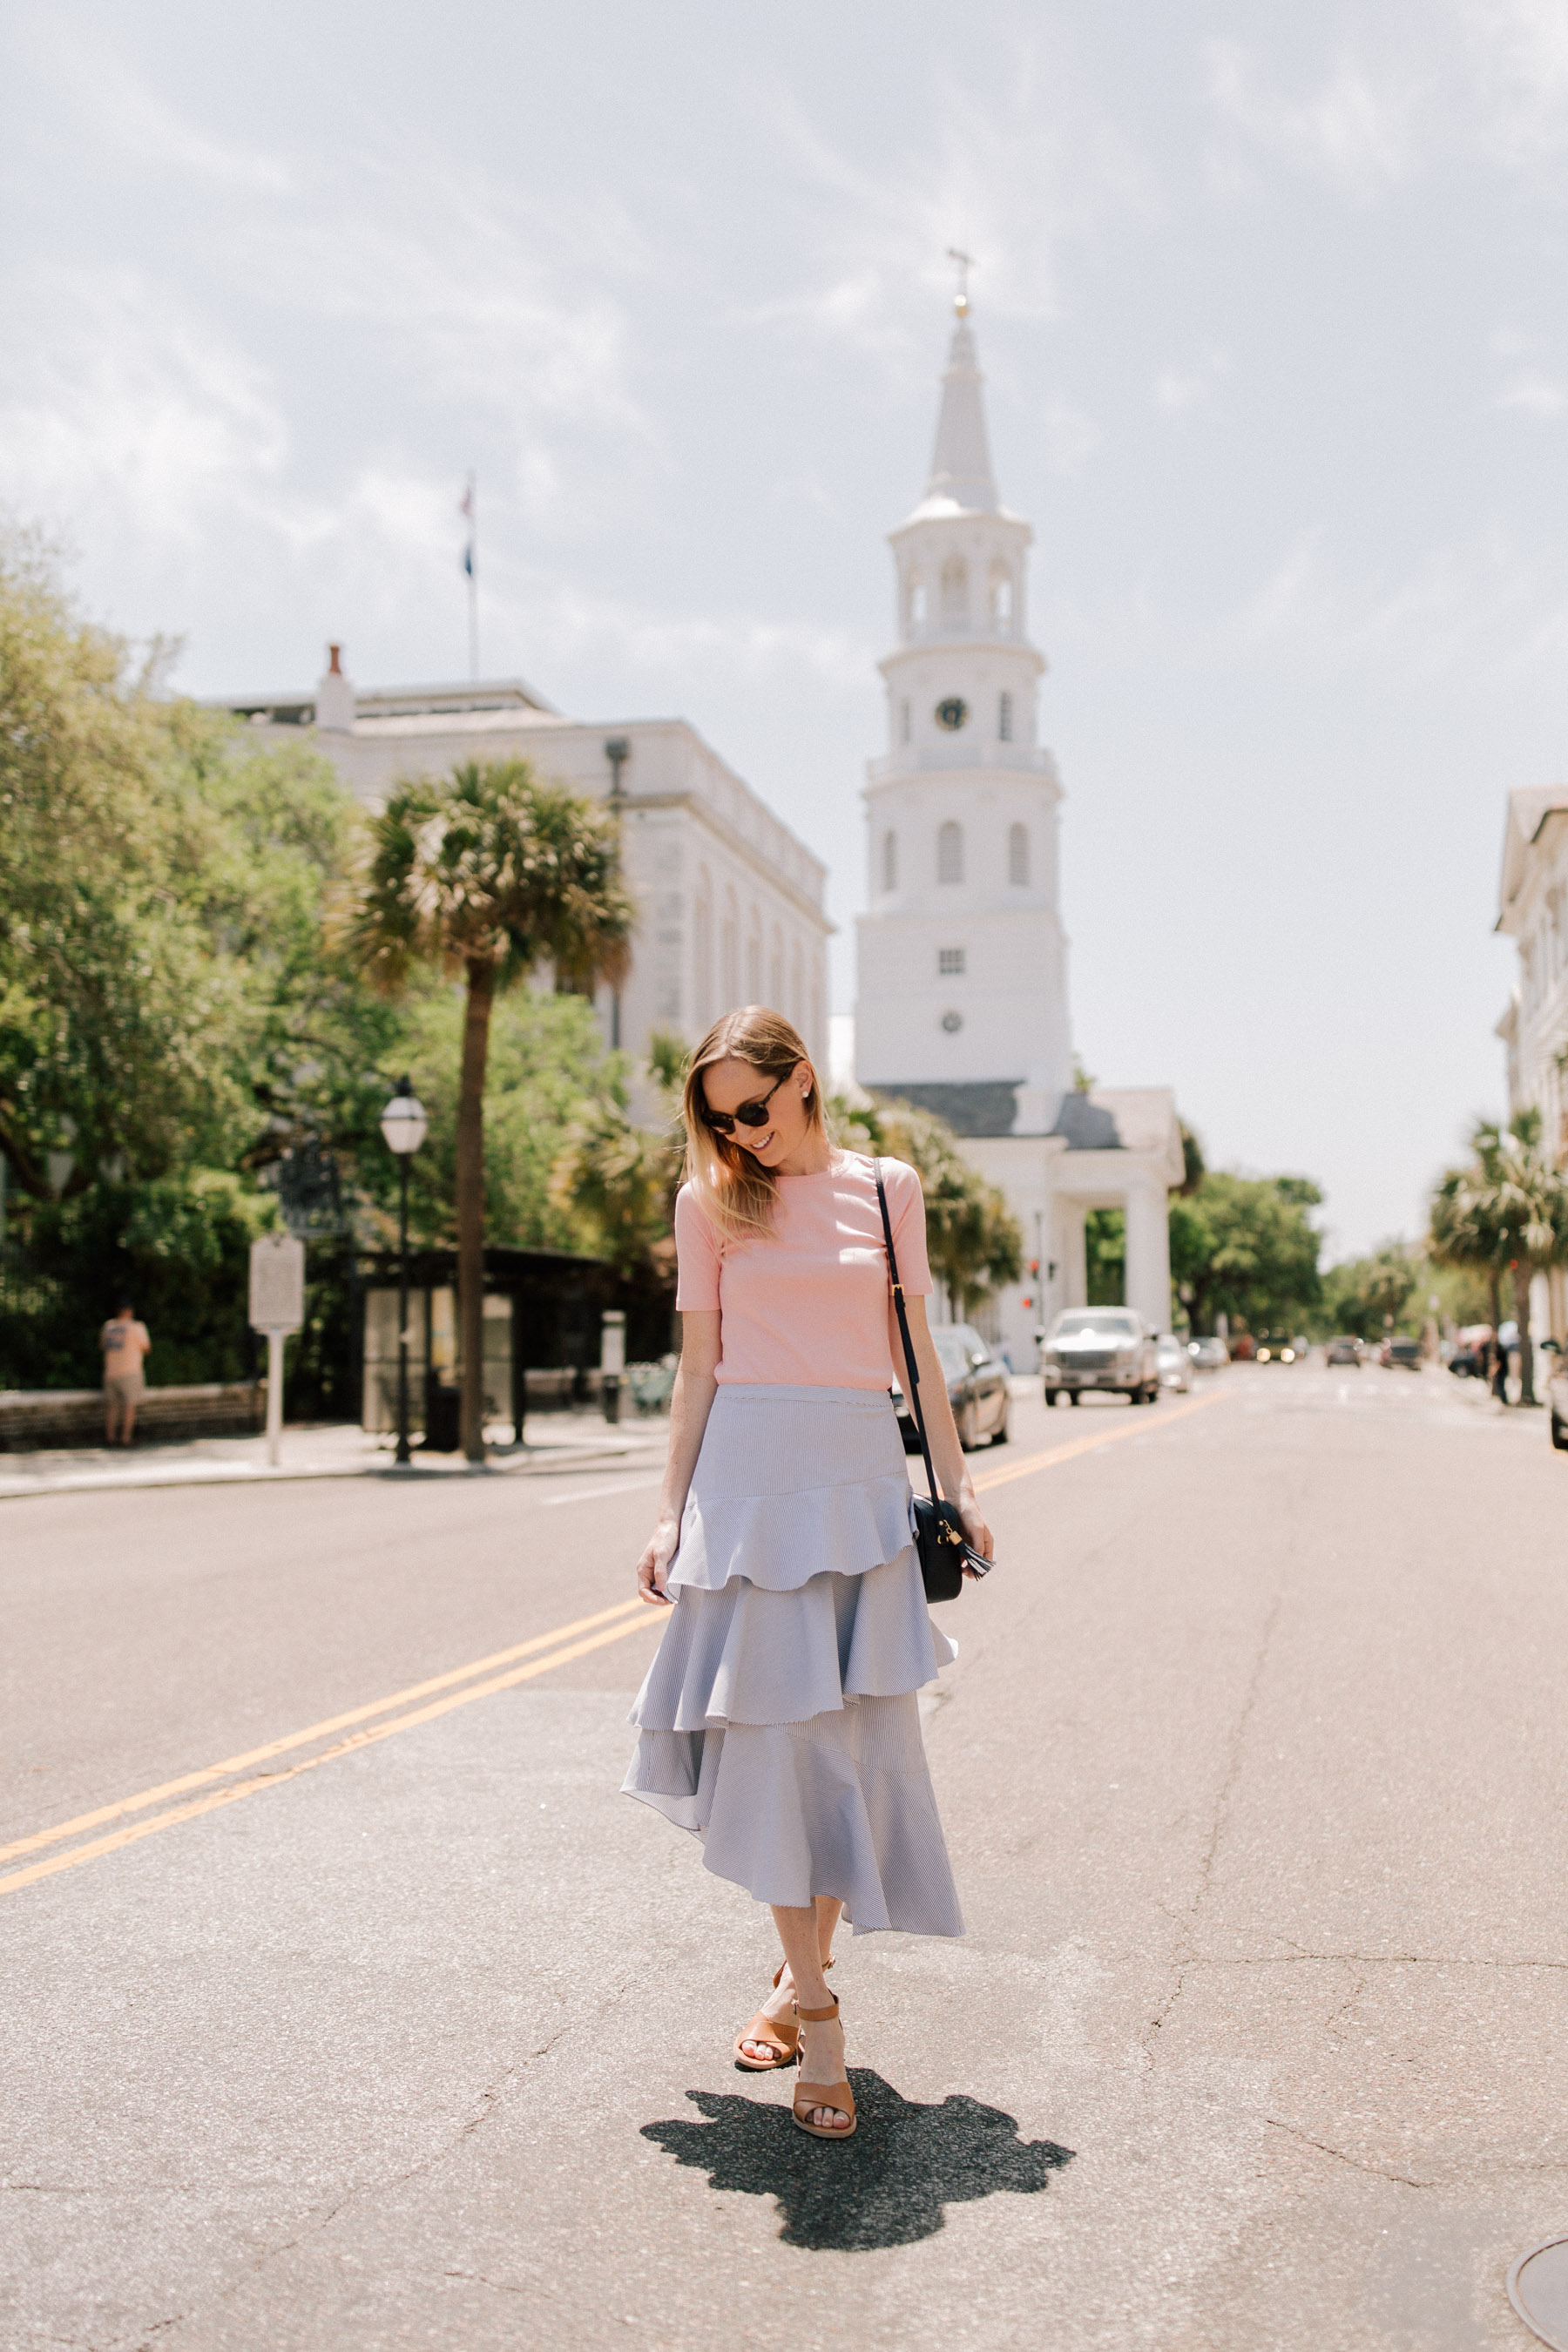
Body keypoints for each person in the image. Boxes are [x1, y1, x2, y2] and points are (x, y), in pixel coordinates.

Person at [624, 1006, 993, 2142]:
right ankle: (820, 2013)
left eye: (753, 1109)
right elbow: (696, 1371)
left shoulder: (888, 1189)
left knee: (852, 1739)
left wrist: (965, 1488)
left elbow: (920, 1360)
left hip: (859, 1480)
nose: (739, 1136)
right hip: (745, 1488)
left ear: (804, 1084)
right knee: (778, 1741)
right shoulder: (708, 1204)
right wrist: (666, 1513)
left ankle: (793, 1978)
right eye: (718, 1119)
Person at [100, 1302, 151, 1445]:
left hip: (110, 1373)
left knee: (112, 1407)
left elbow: (103, 1345)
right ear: (129, 1311)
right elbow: (146, 1348)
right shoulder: (136, 1327)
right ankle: (125, 1439)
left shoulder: (108, 1326)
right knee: (130, 1406)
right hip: (131, 1372)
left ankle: (109, 1438)